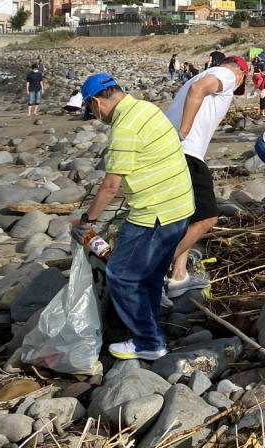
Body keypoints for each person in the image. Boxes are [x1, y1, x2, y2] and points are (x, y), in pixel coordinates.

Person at [71, 74, 194, 361]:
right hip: (180, 207)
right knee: (149, 275)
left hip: (155, 215)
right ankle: (152, 328)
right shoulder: (146, 108)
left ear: (96, 102)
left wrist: (87, 221)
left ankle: (148, 341)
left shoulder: (124, 128)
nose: (92, 115)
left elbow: (110, 186)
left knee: (122, 275)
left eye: (90, 109)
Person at [164, 56, 248, 298]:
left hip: (170, 152)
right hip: (186, 153)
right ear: (241, 72)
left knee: (184, 217)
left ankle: (178, 275)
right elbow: (197, 90)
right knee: (207, 218)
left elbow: (195, 88)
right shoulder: (228, 74)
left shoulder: (197, 75)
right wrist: (185, 130)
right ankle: (154, 268)